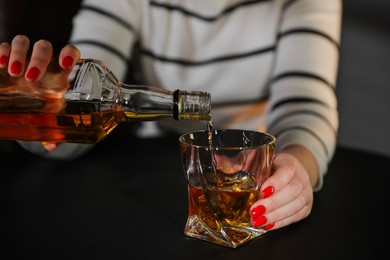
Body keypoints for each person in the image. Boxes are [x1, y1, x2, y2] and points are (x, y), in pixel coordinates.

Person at [0, 0, 342, 232]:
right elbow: (82, 99)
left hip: (260, 174)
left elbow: (305, 106)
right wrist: (38, 108)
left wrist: (298, 169)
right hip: (153, 187)